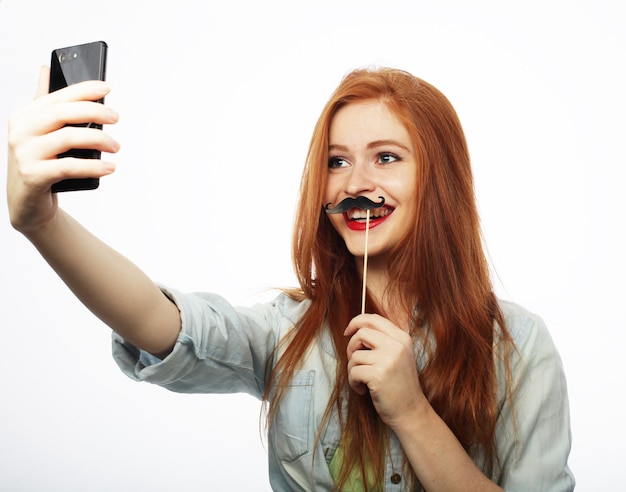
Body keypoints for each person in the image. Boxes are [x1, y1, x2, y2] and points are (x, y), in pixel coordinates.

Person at [7, 65, 575, 491]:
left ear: (440, 180)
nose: (354, 183)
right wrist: (44, 224)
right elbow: (164, 324)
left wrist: (411, 411)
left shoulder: (519, 348)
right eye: (336, 161)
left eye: (386, 158)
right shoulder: (287, 331)